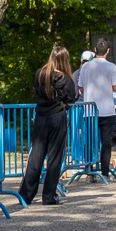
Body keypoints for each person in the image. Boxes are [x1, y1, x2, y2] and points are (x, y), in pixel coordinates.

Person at [18, 45, 78, 206]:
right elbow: (71, 98)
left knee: (36, 157)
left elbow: (36, 92)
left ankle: (25, 195)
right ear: (65, 60)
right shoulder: (65, 78)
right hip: (57, 118)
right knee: (54, 158)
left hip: (41, 117)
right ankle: (49, 196)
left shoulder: (40, 74)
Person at [77, 38, 116, 181]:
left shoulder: (85, 67)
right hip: (107, 110)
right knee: (106, 143)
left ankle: (90, 172)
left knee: (90, 142)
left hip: (89, 110)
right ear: (108, 51)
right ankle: (104, 173)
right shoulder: (112, 67)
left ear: (95, 51)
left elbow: (80, 88)